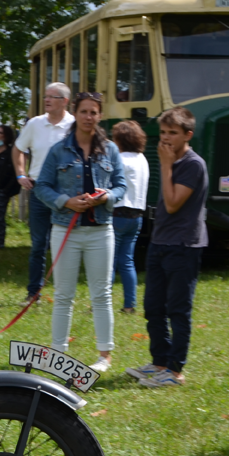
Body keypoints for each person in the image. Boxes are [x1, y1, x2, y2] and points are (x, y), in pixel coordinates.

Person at [34, 91, 127, 374]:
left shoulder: (109, 149)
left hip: (101, 230)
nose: (89, 117)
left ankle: (104, 356)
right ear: (77, 114)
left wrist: (107, 196)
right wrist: (66, 201)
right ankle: (58, 353)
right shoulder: (59, 150)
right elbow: (41, 186)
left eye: (94, 112)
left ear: (100, 116)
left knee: (102, 294)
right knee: (63, 295)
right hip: (65, 229)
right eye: (84, 112)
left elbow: (122, 186)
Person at [125, 106, 208, 389]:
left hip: (184, 245)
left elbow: (173, 203)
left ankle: (175, 371)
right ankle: (159, 363)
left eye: (173, 133)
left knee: (177, 309)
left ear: (188, 134)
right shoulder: (172, 160)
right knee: (153, 307)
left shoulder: (193, 165)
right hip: (160, 242)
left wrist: (165, 164)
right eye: (162, 132)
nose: (166, 139)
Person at [14, 82, 74, 305]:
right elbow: (18, 148)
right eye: (45, 96)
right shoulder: (34, 124)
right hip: (39, 189)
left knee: (65, 245)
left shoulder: (74, 125)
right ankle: (34, 294)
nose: (46, 100)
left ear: (65, 101)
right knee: (39, 243)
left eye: (52, 96)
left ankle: (64, 294)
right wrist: (21, 174)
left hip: (66, 191)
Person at [110, 120, 150, 315]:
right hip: (137, 216)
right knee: (127, 261)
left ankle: (101, 303)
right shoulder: (142, 159)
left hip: (118, 214)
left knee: (108, 261)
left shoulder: (120, 159)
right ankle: (129, 305)